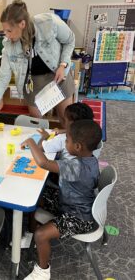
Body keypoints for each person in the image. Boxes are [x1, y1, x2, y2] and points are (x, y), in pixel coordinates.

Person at [0, 0, 75, 127]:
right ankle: (40, 146)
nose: (6, 35)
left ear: (22, 24)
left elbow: (70, 40)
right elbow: (3, 78)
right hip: (33, 81)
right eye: (4, 31)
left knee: (66, 118)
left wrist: (63, 65)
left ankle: (66, 145)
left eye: (9, 31)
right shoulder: (9, 46)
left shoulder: (49, 22)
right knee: (36, 123)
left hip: (58, 73)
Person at [21, 119, 102, 280]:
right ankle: (29, 234)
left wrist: (31, 142)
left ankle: (42, 271)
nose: (65, 143)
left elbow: (43, 163)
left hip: (79, 217)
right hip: (74, 202)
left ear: (78, 147)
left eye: (67, 140)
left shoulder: (76, 166)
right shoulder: (91, 160)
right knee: (36, 196)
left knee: (41, 234)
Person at [37, 102, 102, 160]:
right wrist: (63, 131)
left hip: (63, 171)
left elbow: (39, 148)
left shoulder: (63, 138)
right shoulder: (91, 135)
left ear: (72, 124)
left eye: (65, 120)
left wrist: (45, 136)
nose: (63, 122)